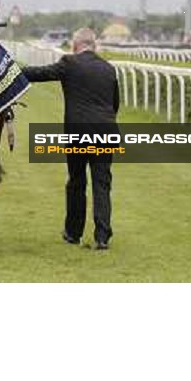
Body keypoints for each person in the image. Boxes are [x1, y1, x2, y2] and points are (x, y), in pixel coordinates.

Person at [21, 28, 120, 250]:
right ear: (94, 45)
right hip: (105, 130)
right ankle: (102, 236)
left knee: (76, 181)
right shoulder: (109, 68)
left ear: (75, 46)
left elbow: (38, 73)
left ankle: (73, 233)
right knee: (101, 183)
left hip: (78, 132)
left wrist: (8, 71)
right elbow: (115, 104)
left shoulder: (69, 63)